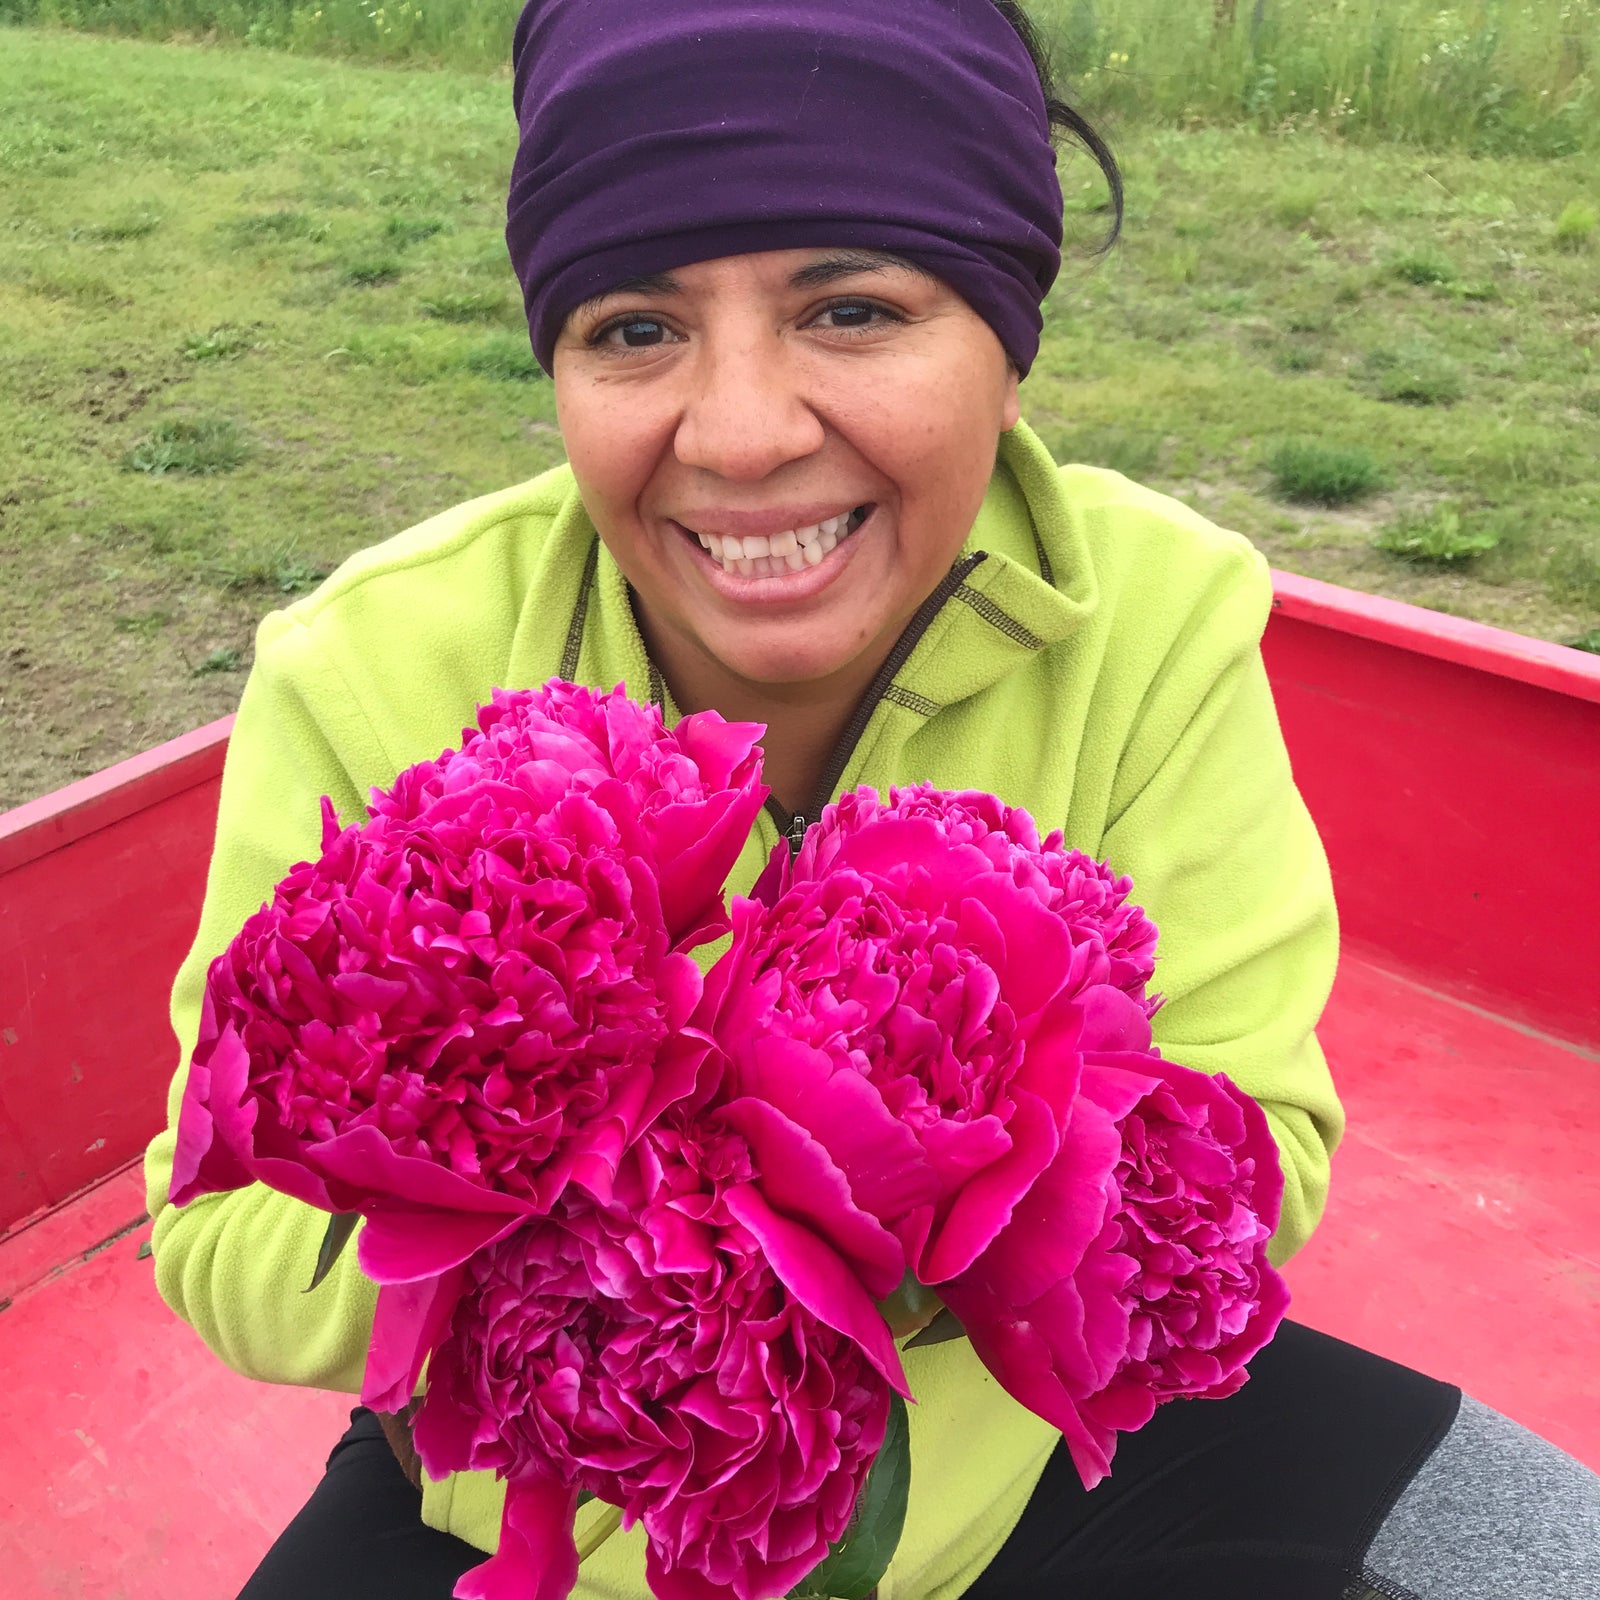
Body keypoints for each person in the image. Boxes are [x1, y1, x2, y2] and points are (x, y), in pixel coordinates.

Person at [141, 2, 1600, 1597]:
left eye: (851, 308)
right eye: (633, 327)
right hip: (528, 1484)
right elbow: (225, 1241)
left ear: (1008, 340)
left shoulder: (1162, 614)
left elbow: (1259, 1156)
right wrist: (629, 1222)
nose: (745, 431)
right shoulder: (372, 664)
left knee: (1548, 1554)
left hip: (1023, 1454)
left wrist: (859, 1153)